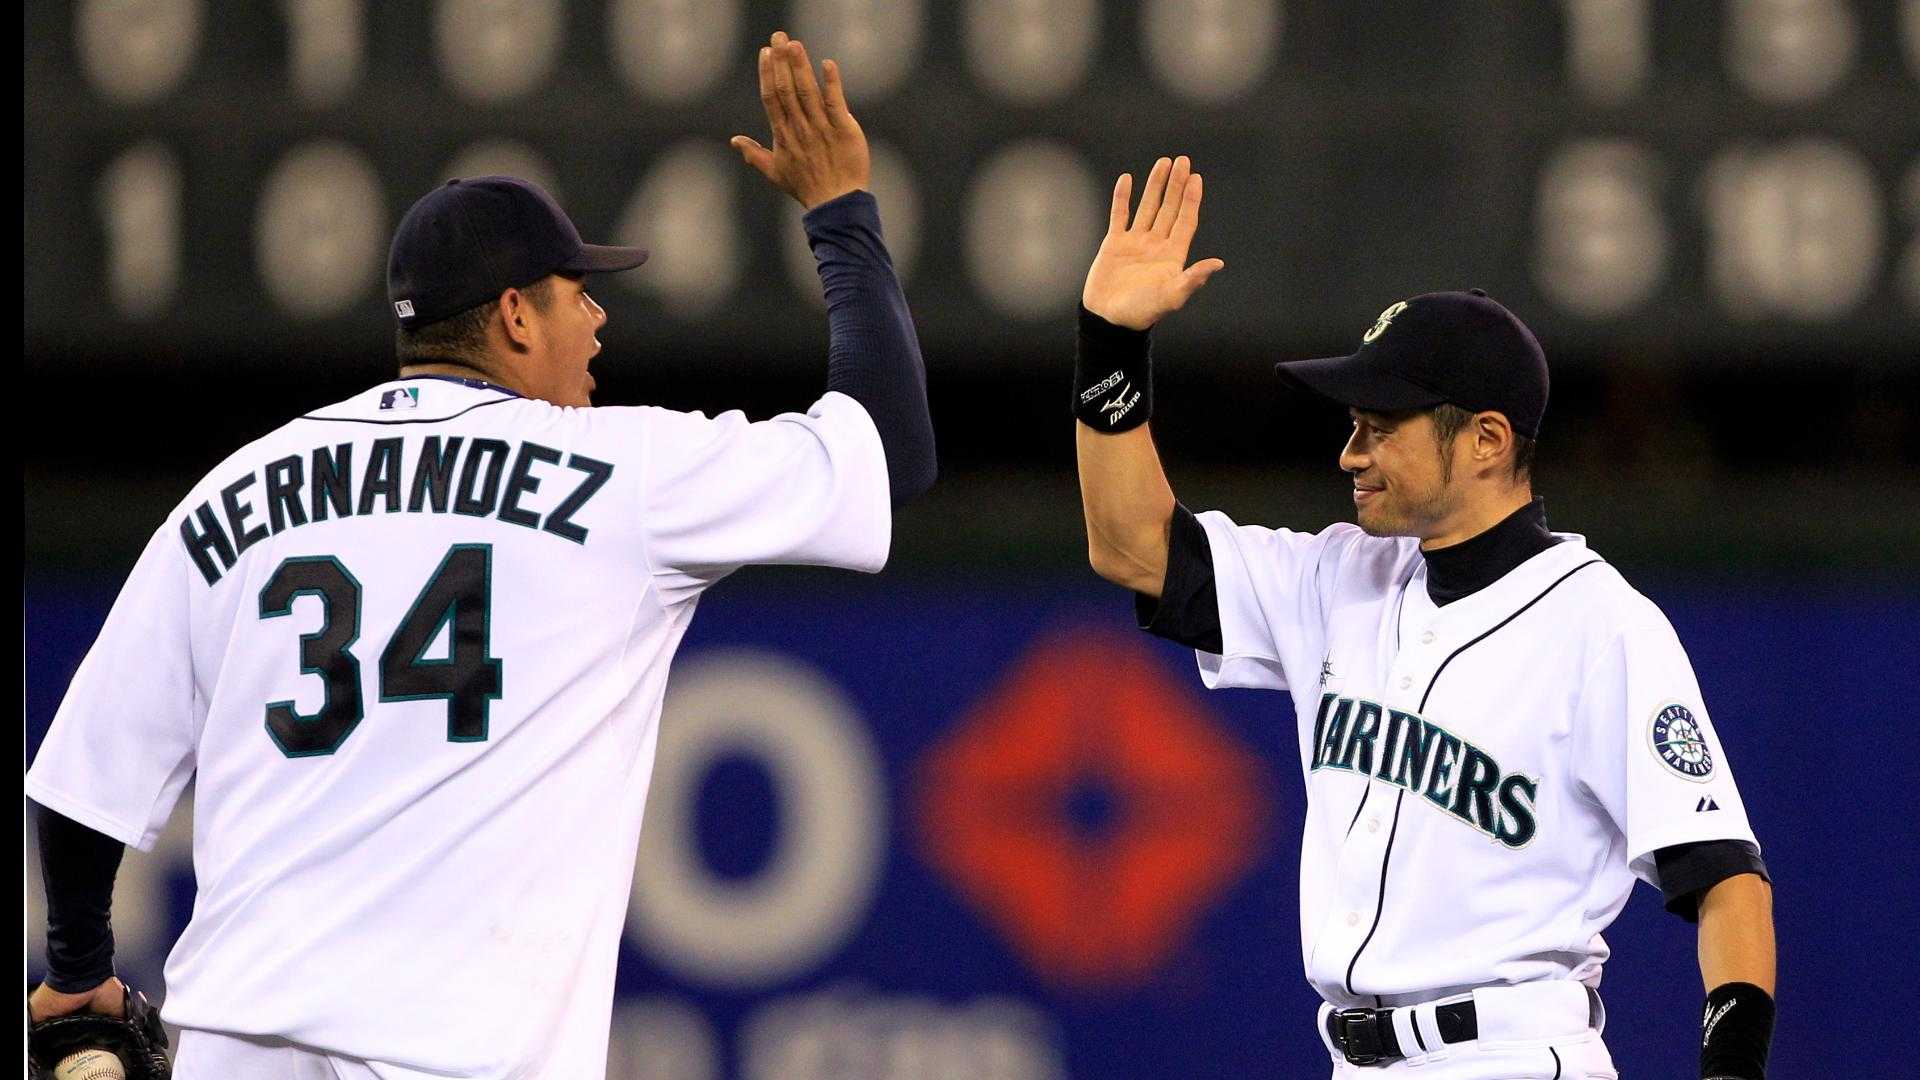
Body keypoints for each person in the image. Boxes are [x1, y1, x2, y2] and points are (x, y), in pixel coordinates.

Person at [26, 30, 933, 1079]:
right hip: (459, 1054)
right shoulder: (624, 473)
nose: (596, 316)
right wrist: (841, 215)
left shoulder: (239, 490)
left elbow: (88, 777)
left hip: (243, 1045)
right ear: (512, 315)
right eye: (574, 291)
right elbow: (891, 456)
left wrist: (80, 964)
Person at [1071, 155, 1776, 1079]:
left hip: (1512, 1055)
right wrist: (1111, 347)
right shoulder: (1337, 578)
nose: (1349, 451)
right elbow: (1131, 546)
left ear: (1485, 441)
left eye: (1381, 426)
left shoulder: (1602, 626)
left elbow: (1724, 879)